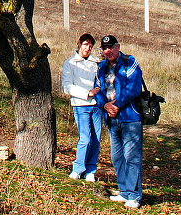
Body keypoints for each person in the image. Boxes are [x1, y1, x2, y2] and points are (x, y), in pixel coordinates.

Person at [94, 35, 143, 209]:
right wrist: (105, 105)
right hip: (112, 119)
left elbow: (134, 88)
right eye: (104, 48)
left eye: (111, 47)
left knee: (132, 156)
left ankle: (134, 196)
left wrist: (116, 104)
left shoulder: (130, 63)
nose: (108, 51)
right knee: (117, 157)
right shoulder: (101, 67)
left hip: (130, 117)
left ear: (118, 47)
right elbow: (97, 89)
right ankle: (124, 192)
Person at [61, 32, 102, 182]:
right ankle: (78, 168)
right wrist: (87, 93)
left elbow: (100, 81)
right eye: (85, 45)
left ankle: (91, 170)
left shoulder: (95, 63)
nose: (87, 48)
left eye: (90, 46)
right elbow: (67, 86)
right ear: (79, 44)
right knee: (85, 138)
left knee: (96, 138)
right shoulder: (70, 63)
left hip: (96, 106)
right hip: (80, 105)